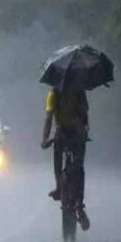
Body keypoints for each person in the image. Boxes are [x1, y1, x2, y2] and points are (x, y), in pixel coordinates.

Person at [40, 88, 90, 231]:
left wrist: (44, 139)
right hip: (78, 134)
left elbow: (49, 118)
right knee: (79, 167)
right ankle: (79, 204)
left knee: (57, 159)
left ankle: (59, 187)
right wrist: (84, 130)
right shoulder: (80, 90)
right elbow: (85, 115)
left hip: (61, 133)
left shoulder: (53, 93)